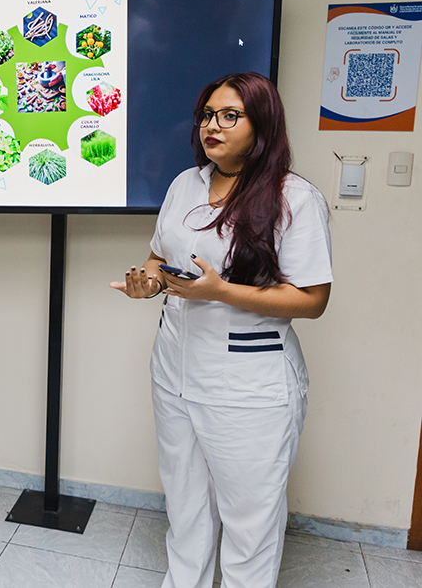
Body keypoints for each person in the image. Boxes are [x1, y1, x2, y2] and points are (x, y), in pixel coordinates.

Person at [110, 72, 332, 588]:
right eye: (208, 115)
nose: (213, 126)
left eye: (230, 116)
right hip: (174, 372)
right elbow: (159, 256)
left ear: (263, 125)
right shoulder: (184, 184)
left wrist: (221, 292)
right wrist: (150, 283)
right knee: (185, 506)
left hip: (248, 387)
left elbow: (313, 300)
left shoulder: (294, 198)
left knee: (250, 522)